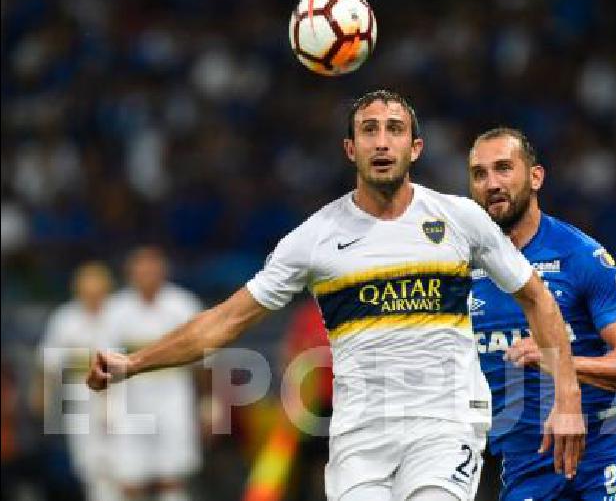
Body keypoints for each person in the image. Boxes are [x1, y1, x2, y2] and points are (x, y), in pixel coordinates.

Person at [87, 90, 585, 501]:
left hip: (445, 421)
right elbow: (224, 321)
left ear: (416, 148)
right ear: (351, 149)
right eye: (369, 129)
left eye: (395, 129)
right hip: (359, 436)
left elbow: (538, 299)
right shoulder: (314, 238)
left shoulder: (460, 218)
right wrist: (134, 363)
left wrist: (567, 398)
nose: (382, 141)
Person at [467, 127, 616, 500]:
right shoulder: (461, 269)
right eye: (480, 174)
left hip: (608, 451)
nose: (492, 183)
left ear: (536, 177)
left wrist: (558, 361)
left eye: (504, 168)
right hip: (525, 465)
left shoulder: (580, 256)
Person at [104, 247, 204, 501]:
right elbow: (104, 362)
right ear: (130, 273)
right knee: (130, 477)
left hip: (174, 396)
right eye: (141, 269)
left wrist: (207, 402)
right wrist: (106, 404)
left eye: (152, 268)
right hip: (130, 398)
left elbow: (203, 361)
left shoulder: (183, 304)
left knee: (173, 476)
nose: (147, 274)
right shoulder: (115, 309)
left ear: (163, 271)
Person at [37, 261, 120, 501]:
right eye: (87, 290)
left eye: (98, 290)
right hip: (81, 400)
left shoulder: (121, 312)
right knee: (89, 468)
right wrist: (43, 397)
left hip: (124, 399)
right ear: (77, 289)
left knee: (126, 468)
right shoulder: (64, 319)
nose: (93, 296)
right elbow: (49, 364)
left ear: (108, 289)